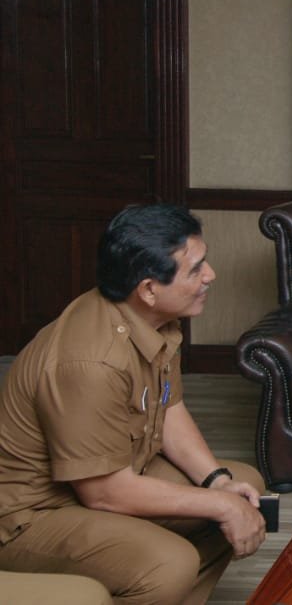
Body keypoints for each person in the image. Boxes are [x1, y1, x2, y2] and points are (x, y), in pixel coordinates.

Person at [0, 204, 267, 605]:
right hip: (36, 514)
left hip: (117, 471)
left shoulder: (154, 319)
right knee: (171, 562)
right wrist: (219, 505)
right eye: (195, 269)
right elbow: (103, 493)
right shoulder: (91, 362)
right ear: (148, 289)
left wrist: (218, 482)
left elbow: (169, 408)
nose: (210, 275)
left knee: (244, 486)